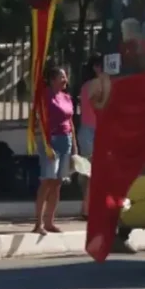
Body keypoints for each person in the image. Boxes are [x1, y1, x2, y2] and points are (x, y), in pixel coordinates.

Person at [34, 66, 76, 235]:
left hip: (65, 140)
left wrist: (74, 145)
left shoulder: (66, 97)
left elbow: (70, 121)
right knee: (47, 181)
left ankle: (50, 222)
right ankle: (38, 224)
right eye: (61, 77)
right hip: (50, 141)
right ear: (52, 80)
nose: (65, 80)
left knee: (58, 183)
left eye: (65, 77)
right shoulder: (45, 96)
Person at [78, 55, 104, 219]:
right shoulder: (91, 86)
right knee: (91, 172)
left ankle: (89, 207)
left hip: (95, 131)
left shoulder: (97, 85)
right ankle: (87, 208)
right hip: (90, 131)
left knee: (94, 172)